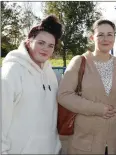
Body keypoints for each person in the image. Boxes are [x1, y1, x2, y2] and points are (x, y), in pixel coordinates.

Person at [57, 19, 116, 154]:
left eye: (110, 34)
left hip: (114, 143)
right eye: (100, 35)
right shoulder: (79, 61)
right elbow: (64, 95)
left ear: (114, 37)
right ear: (92, 37)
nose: (105, 39)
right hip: (86, 143)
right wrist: (97, 108)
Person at [2, 15, 63, 154]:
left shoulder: (51, 75)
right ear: (29, 41)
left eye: (50, 45)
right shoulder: (12, 72)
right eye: (41, 43)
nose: (45, 49)